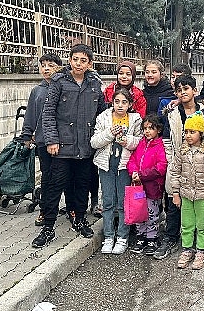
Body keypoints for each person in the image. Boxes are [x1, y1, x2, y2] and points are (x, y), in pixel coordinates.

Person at [34, 44, 106, 248]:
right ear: (70, 60)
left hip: (85, 147)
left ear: (89, 64)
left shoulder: (94, 84)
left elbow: (102, 114)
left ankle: (80, 219)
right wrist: (51, 140)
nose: (79, 64)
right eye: (75, 59)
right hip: (62, 146)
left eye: (83, 60)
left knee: (82, 185)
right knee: (55, 186)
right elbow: (48, 113)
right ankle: (48, 227)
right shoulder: (59, 82)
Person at [155, 74, 204, 260]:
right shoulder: (171, 113)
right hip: (179, 162)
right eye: (179, 90)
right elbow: (167, 140)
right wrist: (171, 161)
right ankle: (172, 237)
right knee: (175, 199)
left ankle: (200, 244)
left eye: (186, 89)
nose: (182, 93)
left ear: (194, 91)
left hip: (201, 162)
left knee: (200, 204)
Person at [92, 88, 143, 255]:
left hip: (125, 166)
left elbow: (140, 143)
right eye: (117, 102)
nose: (120, 105)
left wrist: (125, 140)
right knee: (107, 201)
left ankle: (122, 236)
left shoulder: (135, 119)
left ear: (130, 104)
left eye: (124, 102)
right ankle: (108, 236)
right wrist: (109, 133)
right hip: (106, 165)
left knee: (123, 203)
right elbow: (94, 142)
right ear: (112, 102)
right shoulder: (104, 117)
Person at [19, 53, 63, 227]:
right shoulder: (37, 91)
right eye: (43, 65)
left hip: (63, 141)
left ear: (58, 67)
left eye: (50, 65)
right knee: (47, 177)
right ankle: (45, 210)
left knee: (64, 177)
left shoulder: (64, 86)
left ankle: (71, 208)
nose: (46, 68)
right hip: (43, 141)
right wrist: (27, 136)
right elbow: (30, 114)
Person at [170, 113, 204, 270]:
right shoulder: (181, 151)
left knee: (202, 225)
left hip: (203, 195)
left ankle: (201, 251)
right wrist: (175, 193)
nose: (188, 135)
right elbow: (175, 172)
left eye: (193, 132)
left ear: (201, 133)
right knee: (187, 224)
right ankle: (186, 250)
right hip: (186, 194)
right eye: (186, 131)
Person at [127, 114, 168, 256]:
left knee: (152, 213)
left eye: (151, 128)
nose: (147, 131)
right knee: (140, 211)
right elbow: (132, 160)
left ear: (158, 129)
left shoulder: (160, 145)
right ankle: (141, 236)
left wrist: (142, 174)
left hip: (152, 187)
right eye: (145, 128)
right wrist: (133, 172)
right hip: (139, 186)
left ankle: (152, 237)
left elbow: (161, 166)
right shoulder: (141, 144)